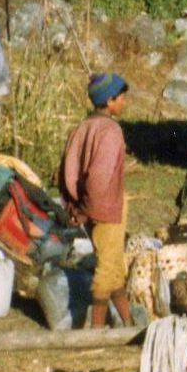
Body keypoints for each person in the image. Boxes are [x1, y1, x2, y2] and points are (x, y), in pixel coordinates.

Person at [59, 72, 134, 328]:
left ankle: (129, 323)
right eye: (121, 98)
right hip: (106, 208)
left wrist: (76, 206)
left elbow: (66, 171)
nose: (124, 103)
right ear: (110, 100)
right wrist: (90, 207)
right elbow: (99, 179)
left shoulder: (82, 128)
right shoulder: (110, 130)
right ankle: (95, 333)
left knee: (113, 268)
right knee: (105, 271)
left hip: (90, 207)